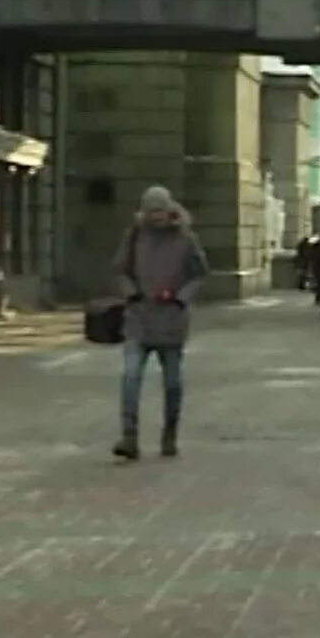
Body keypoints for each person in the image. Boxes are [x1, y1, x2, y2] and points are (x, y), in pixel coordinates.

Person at [111, 186, 209, 460]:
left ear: (170, 210)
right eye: (151, 211)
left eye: (161, 211)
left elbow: (199, 274)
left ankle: (169, 435)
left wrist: (180, 298)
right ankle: (129, 437)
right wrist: (132, 293)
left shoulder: (186, 239)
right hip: (139, 319)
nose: (157, 217)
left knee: (172, 383)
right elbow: (120, 270)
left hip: (171, 322)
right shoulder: (134, 236)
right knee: (130, 378)